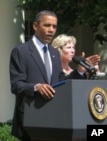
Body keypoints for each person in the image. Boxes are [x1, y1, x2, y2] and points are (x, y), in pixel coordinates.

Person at [9, 10, 82, 141]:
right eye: (47, 25)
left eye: (54, 26)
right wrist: (36, 87)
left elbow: (61, 82)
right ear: (35, 26)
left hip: (53, 120)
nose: (51, 30)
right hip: (31, 120)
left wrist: (79, 71)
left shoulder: (54, 53)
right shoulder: (21, 51)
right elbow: (16, 85)